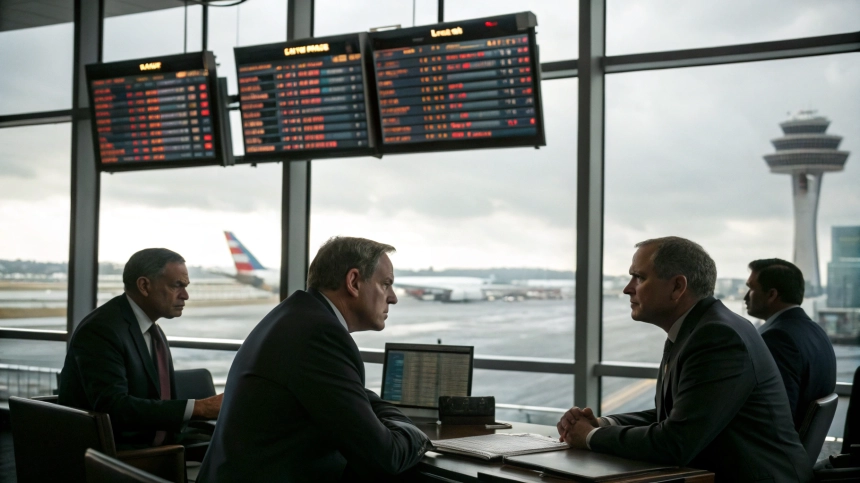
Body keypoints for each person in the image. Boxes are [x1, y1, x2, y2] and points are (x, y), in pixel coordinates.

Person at [557, 237, 812, 482]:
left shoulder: (717, 337)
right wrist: (602, 423)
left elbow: (675, 443)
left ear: (678, 287)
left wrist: (591, 436)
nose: (627, 289)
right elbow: (673, 415)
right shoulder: (699, 327)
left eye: (639, 277)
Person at [197, 237, 430, 483]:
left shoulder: (297, 315)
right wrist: (417, 433)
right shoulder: (319, 334)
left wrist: (389, 419)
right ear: (353, 282)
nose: (393, 297)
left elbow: (355, 396)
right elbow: (385, 456)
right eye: (386, 284)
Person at [59, 248, 222, 448]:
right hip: (117, 457)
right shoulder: (101, 330)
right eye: (177, 285)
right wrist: (201, 408)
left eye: (186, 286)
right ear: (144, 286)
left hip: (164, 445)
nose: (186, 295)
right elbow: (115, 408)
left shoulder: (152, 330)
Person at [745, 258, 836, 429]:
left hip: (774, 452)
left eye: (751, 288)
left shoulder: (777, 338)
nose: (745, 297)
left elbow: (775, 415)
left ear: (771, 295)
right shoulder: (815, 331)